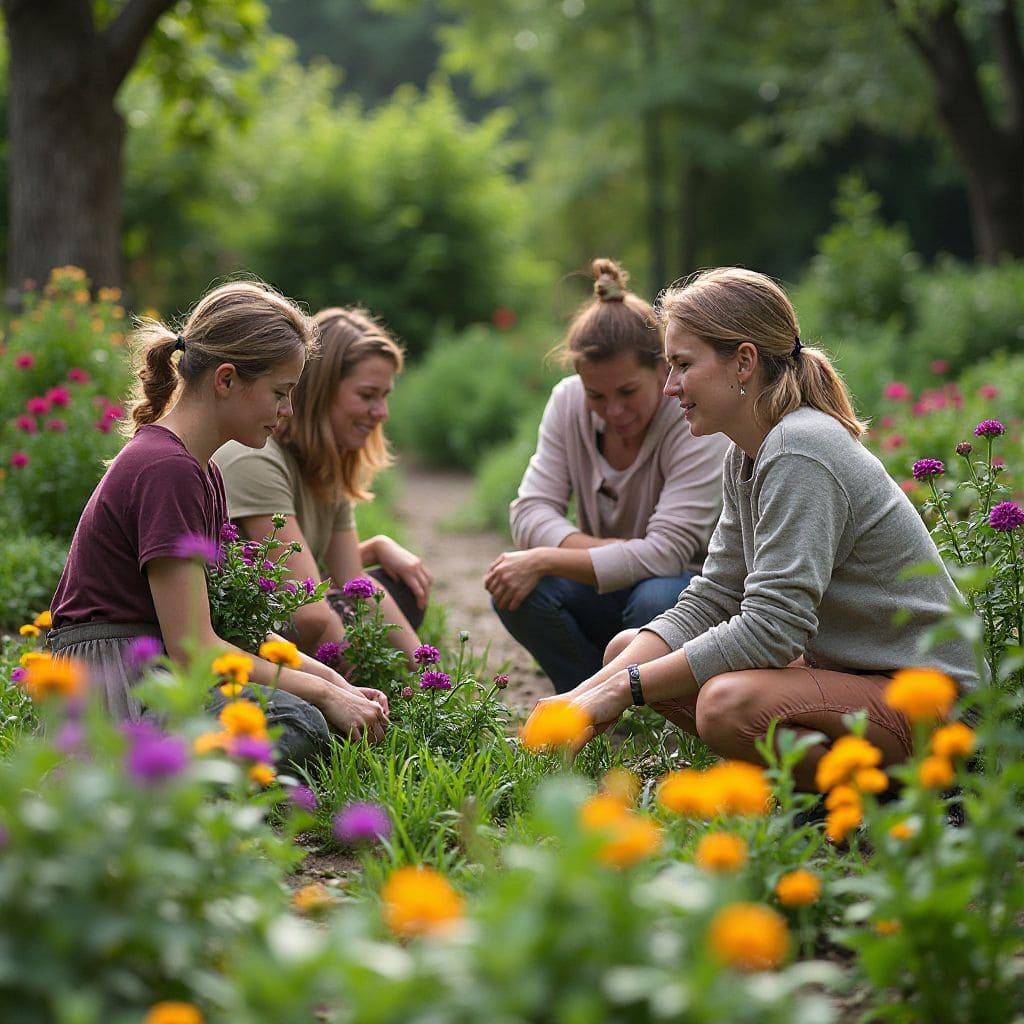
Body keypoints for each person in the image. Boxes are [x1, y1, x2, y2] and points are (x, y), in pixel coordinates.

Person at [524, 267, 978, 788]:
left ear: (743, 361)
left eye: (682, 365)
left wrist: (621, 691)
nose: (669, 386)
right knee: (624, 649)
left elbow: (772, 628)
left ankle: (895, 798)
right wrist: (586, 694)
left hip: (931, 703)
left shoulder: (801, 448)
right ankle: (831, 788)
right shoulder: (747, 453)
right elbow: (715, 596)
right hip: (855, 678)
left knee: (723, 706)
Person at [48, 281, 389, 764]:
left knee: (310, 713)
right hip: (115, 682)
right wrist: (322, 697)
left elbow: (227, 626)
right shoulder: (168, 470)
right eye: (280, 392)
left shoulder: (200, 470)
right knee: (298, 722)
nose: (287, 410)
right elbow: (196, 650)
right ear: (226, 380)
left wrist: (333, 683)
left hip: (154, 663)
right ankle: (145, 778)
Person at [485, 258, 729, 693]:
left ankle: (652, 695)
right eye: (597, 395)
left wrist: (549, 556)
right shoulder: (567, 402)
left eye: (628, 392)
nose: (613, 411)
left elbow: (669, 555)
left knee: (656, 597)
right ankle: (587, 693)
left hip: (684, 591)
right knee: (513, 583)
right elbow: (528, 512)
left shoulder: (692, 418)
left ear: (662, 370)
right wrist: (613, 551)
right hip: (606, 585)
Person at [213, 307, 431, 672]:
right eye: (367, 395)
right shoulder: (255, 457)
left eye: (385, 396)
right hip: (245, 638)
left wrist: (425, 672)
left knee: (393, 591)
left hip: (291, 617)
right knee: (340, 615)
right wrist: (361, 696)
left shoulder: (326, 463)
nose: (382, 412)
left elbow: (351, 578)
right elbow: (309, 609)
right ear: (318, 392)